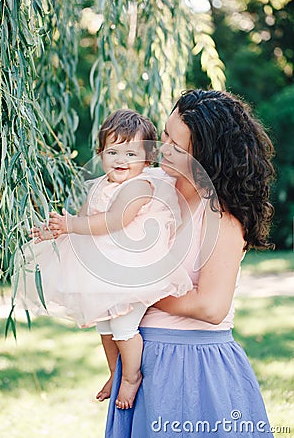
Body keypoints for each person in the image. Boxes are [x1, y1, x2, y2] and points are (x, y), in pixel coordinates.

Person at [105, 90, 275, 437]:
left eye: (177, 146)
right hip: (141, 359)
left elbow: (212, 306)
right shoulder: (151, 188)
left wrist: (132, 291)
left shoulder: (222, 215)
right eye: (165, 133)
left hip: (191, 365)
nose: (161, 147)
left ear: (206, 155)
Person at [15, 109, 192, 411]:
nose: (121, 160)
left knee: (123, 326)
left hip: (132, 267)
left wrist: (70, 223)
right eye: (113, 151)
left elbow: (114, 220)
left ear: (147, 159)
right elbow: (85, 219)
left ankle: (132, 375)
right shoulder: (99, 185)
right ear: (100, 153)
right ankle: (115, 371)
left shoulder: (140, 185)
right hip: (103, 267)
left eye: (131, 153)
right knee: (104, 327)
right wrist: (57, 231)